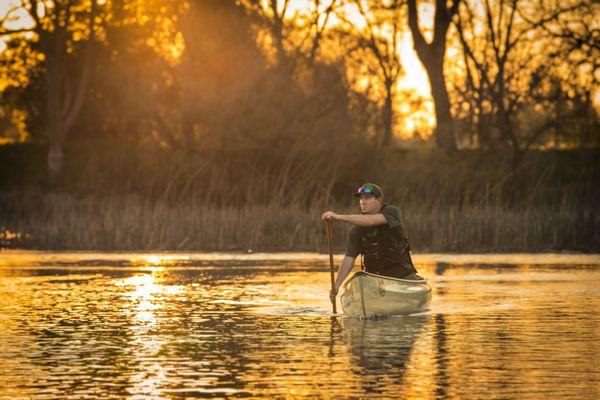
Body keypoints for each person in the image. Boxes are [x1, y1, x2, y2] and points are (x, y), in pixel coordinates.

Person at [321, 183, 421, 303]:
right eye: (361, 199)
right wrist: (336, 286)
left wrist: (338, 217)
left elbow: (370, 220)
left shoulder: (392, 212)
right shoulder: (356, 231)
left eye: (367, 198)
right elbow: (349, 258)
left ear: (378, 200)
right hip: (375, 280)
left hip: (403, 277)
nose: (363, 202)